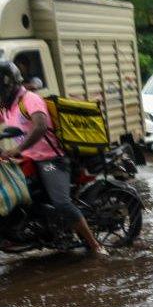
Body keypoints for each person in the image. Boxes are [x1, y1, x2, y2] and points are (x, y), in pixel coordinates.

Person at [0, 61, 107, 256]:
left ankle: (95, 245)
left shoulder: (29, 100)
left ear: (9, 85)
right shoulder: (6, 106)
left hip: (50, 159)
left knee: (62, 203)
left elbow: (40, 127)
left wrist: (17, 149)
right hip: (27, 158)